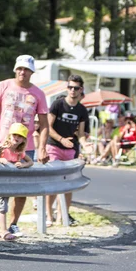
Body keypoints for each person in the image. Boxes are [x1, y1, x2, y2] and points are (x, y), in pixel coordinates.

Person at [0, 54, 49, 238]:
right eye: (20, 68)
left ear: (32, 72)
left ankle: (13, 224)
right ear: (15, 69)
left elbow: (44, 124)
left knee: (20, 187)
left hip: (25, 145)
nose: (23, 72)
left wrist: (42, 147)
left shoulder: (38, 93)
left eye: (27, 69)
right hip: (1, 144)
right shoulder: (3, 86)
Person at [45, 75, 90, 226]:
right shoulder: (57, 104)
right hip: (54, 146)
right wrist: (61, 139)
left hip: (71, 150)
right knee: (52, 182)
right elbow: (48, 127)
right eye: (70, 87)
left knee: (68, 184)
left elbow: (82, 134)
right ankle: (49, 216)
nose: (72, 90)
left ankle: (62, 216)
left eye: (76, 88)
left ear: (81, 90)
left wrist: (85, 145)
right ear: (67, 88)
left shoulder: (82, 110)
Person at [0, 123, 34, 240]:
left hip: (9, 183)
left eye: (20, 136)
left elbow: (30, 162)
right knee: (2, 206)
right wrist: (0, 159)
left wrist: (23, 164)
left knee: (0, 206)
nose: (16, 138)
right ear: (9, 136)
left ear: (23, 140)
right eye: (14, 135)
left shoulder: (19, 152)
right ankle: (4, 231)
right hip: (0, 182)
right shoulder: (3, 148)